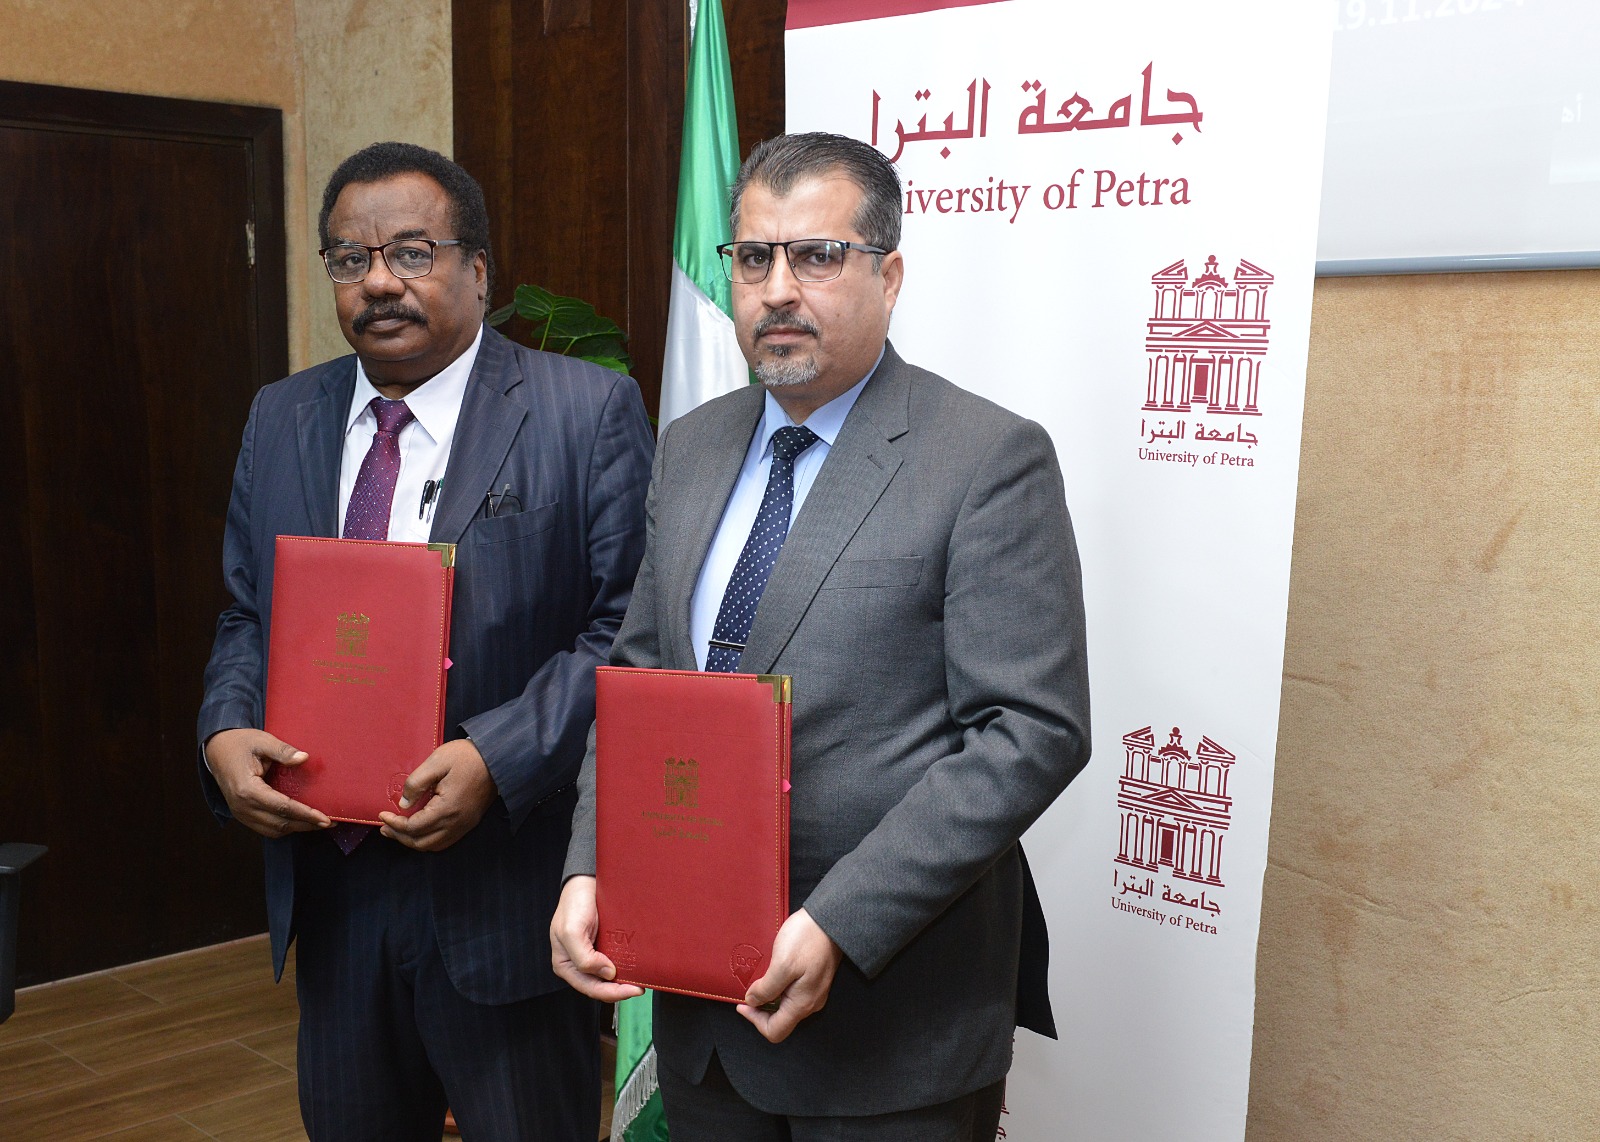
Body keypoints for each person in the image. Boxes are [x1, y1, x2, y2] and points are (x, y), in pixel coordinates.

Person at [550, 131, 1091, 1141]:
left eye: (818, 256)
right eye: (755, 257)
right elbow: (639, 682)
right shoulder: (692, 445)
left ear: (889, 274)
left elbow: (1030, 730)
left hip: (892, 1027)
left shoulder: (986, 457)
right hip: (704, 1012)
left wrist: (842, 917)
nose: (779, 289)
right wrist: (593, 866)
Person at [197, 141, 654, 1141]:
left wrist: (497, 756)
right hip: (333, 887)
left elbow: (629, 627)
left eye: (412, 251)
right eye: (350, 258)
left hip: (505, 892)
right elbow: (245, 612)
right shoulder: (282, 415)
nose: (379, 282)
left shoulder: (584, 413)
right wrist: (224, 730)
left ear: (477, 271)